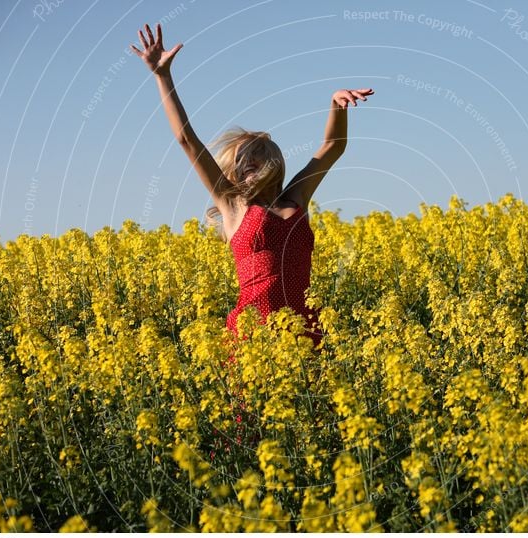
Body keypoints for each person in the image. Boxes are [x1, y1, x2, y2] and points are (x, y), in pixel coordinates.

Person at [131, 23, 374, 352]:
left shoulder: (297, 196)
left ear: (274, 161)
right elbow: (187, 140)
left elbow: (332, 146)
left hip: (304, 328)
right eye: (242, 160)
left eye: (257, 158)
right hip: (252, 335)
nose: (249, 164)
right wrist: (163, 76)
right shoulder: (233, 207)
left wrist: (335, 104)